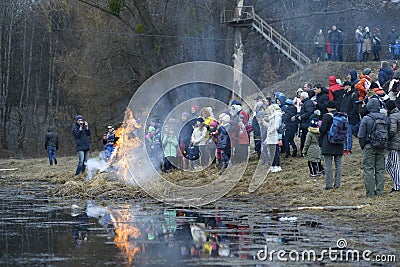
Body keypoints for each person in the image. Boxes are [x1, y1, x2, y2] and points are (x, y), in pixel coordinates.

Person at [358, 97, 387, 197]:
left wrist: (363, 145)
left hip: (369, 146)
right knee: (380, 170)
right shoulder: (384, 117)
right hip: (382, 146)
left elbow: (361, 134)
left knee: (369, 169)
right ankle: (379, 192)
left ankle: (370, 193)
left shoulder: (366, 118)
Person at [319, 101, 344, 190]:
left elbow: (322, 130)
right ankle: (337, 184)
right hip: (339, 142)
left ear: (328, 108)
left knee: (328, 165)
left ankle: (328, 185)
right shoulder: (341, 116)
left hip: (328, 142)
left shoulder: (327, 116)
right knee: (338, 164)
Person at [340, 81, 360, 154]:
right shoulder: (344, 95)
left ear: (348, 86)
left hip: (350, 118)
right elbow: (342, 106)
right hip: (344, 117)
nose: (344, 87)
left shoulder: (354, 94)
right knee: (344, 133)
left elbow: (355, 107)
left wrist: (350, 115)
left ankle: (349, 148)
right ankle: (344, 148)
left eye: (345, 86)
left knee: (349, 134)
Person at [385, 100, 400, 193]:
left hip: (394, 143)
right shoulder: (398, 114)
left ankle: (397, 185)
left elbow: (392, 130)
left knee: (394, 164)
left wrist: (386, 136)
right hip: (397, 142)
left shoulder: (393, 117)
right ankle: (397, 181)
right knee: (388, 164)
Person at [296, 92, 315, 156]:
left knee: (305, 138)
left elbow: (309, 112)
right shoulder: (306, 103)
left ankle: (305, 152)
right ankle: (303, 151)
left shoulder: (308, 103)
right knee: (304, 138)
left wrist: (301, 117)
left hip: (306, 123)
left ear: (302, 97)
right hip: (305, 123)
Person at [265, 104, 282, 173]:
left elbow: (276, 126)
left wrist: (270, 131)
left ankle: (277, 166)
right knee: (271, 152)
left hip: (274, 136)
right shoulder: (273, 116)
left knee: (275, 152)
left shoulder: (277, 115)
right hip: (271, 136)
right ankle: (272, 165)